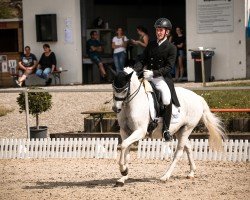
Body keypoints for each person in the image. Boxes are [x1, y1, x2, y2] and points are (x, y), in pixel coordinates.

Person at [134, 18, 180, 141]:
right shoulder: (152, 44)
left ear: (167, 32)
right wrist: (135, 70)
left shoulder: (171, 48)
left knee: (166, 97)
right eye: (157, 30)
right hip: (147, 75)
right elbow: (143, 59)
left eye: (161, 30)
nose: (158, 32)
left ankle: (166, 129)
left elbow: (169, 68)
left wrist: (153, 73)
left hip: (161, 78)